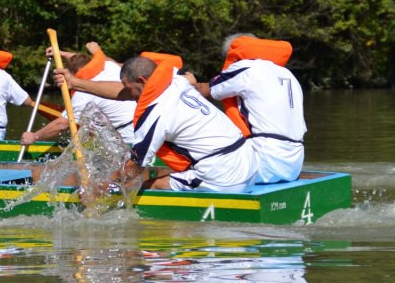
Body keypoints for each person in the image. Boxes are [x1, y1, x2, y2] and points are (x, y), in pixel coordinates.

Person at [69, 56, 258, 192]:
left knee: (146, 186)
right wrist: (75, 83)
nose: (130, 95)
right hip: (249, 164)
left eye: (129, 89)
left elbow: (136, 166)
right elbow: (128, 90)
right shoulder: (175, 80)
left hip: (223, 176)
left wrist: (101, 187)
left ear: (142, 81)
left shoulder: (155, 114)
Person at [186, 34, 306, 184]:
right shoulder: (287, 74)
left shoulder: (245, 67)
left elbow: (205, 91)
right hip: (294, 165)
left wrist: (188, 83)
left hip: (264, 163)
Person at [20, 42, 137, 146]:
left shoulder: (83, 92)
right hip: (141, 123)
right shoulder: (109, 66)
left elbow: (62, 124)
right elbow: (88, 61)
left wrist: (34, 136)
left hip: (126, 135)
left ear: (74, 74)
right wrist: (62, 53)